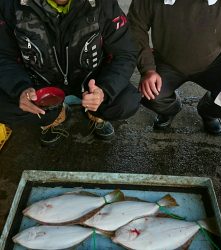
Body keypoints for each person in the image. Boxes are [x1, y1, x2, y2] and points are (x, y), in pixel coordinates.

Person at [0, 0, 141, 146]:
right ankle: (54, 116)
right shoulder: (10, 5)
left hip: (90, 83)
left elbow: (124, 53)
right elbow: (3, 55)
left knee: (126, 101)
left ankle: (94, 111)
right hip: (41, 89)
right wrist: (20, 89)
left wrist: (104, 91)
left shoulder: (104, 3)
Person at [128, 0, 221, 135]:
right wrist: (148, 69)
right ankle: (170, 109)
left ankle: (208, 112)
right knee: (148, 94)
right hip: (166, 60)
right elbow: (135, 28)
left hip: (215, 59)